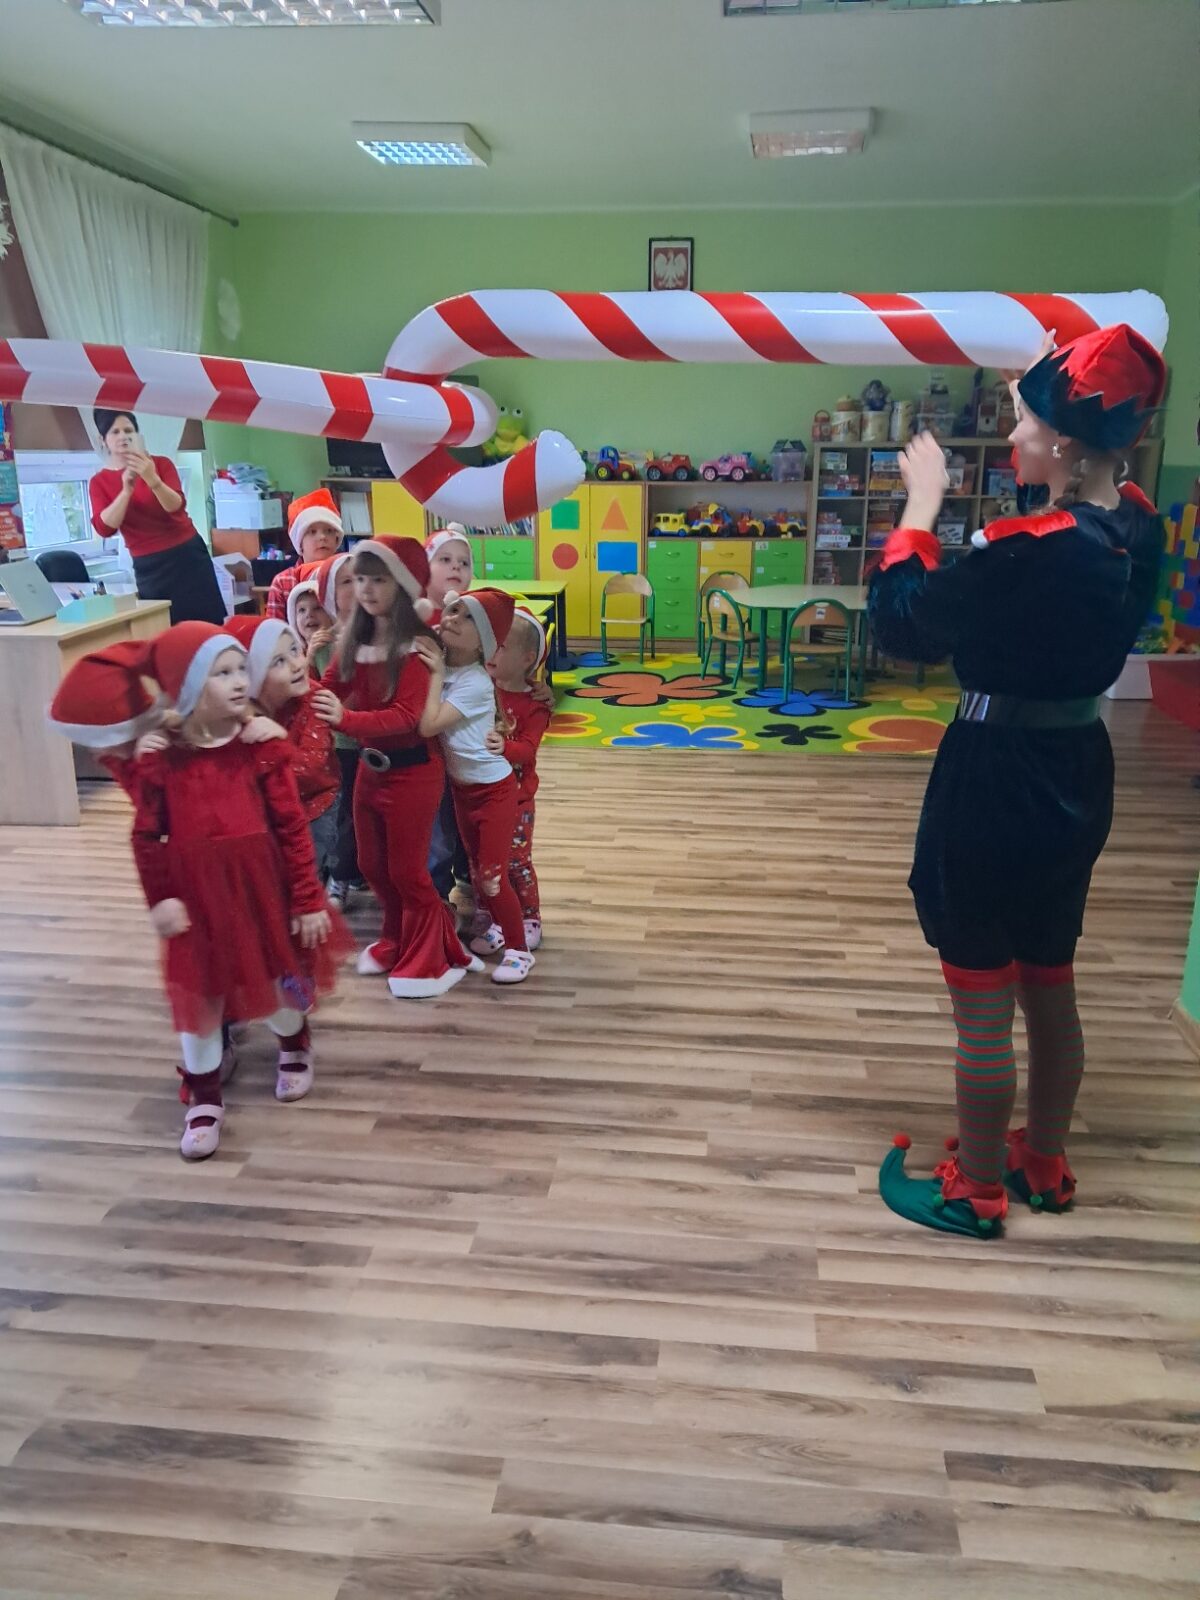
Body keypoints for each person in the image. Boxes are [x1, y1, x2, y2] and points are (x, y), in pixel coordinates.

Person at [870, 324, 1167, 1237]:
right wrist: (1038, 391)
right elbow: (1062, 505)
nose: (1013, 436)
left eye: (1027, 423)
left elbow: (905, 625)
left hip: (995, 780)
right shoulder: (1136, 525)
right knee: (1048, 974)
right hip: (1075, 772)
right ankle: (1043, 1160)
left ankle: (975, 1190)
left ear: (1067, 443)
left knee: (982, 996)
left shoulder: (1028, 547)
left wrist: (920, 509)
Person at [127, 622, 352, 1160]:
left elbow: (293, 828)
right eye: (221, 673)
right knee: (200, 999)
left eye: (239, 670)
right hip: (197, 904)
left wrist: (307, 898)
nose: (238, 681)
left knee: (276, 986)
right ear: (185, 686)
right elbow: (146, 835)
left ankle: (294, 1040)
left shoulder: (261, 748)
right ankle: (203, 1096)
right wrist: (160, 898)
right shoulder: (164, 760)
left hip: (259, 894)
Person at [312, 536, 480, 999]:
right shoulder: (355, 640)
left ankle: (433, 957)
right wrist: (294, 683)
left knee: (408, 872)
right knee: (372, 864)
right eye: (360, 579)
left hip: (414, 772)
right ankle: (398, 938)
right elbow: (328, 686)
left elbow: (408, 717)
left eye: (379, 579)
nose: (366, 589)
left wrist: (345, 719)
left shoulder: (417, 646)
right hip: (372, 772)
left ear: (402, 585)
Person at [415, 588, 534, 986]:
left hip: (493, 792)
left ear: (484, 641)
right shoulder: (443, 664)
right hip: (462, 790)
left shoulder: (475, 681)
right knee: (476, 869)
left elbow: (429, 725)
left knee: (491, 878)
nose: (452, 618)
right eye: (451, 610)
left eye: (466, 617)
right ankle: (501, 925)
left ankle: (519, 949)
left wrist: (434, 673)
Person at [226, 615, 340, 879]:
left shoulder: (314, 698)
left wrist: (277, 743)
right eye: (278, 661)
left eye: (294, 651)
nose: (297, 664)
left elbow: (311, 770)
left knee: (304, 880)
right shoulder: (236, 714)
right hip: (263, 818)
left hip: (313, 811)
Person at [88, 409, 225, 626]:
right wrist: (126, 490)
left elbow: (176, 506)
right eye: (115, 432)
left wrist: (152, 478)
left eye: (128, 431)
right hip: (149, 566)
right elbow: (104, 528)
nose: (123, 436)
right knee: (164, 628)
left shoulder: (160, 464)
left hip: (187, 556)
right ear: (102, 440)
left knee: (208, 624)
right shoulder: (99, 482)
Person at [292, 553, 363, 909]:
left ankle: (353, 872)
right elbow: (306, 696)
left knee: (362, 814)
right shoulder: (316, 648)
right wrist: (308, 658)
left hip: (368, 738)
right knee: (344, 814)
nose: (310, 616)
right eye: (302, 611)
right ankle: (341, 877)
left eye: (316, 608)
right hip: (338, 745)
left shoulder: (357, 638)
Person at [483, 604, 552, 954]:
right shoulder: (480, 686)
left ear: (527, 659)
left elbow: (528, 749)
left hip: (518, 799)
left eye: (501, 646)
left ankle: (529, 919)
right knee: (487, 862)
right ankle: (500, 919)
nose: (491, 652)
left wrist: (504, 747)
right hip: (482, 795)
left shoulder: (534, 704)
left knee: (517, 861)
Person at [265, 489, 346, 622]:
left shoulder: (346, 576)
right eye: (312, 532)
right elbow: (274, 630)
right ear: (299, 542)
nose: (322, 537)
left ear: (337, 539)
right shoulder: (283, 582)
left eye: (329, 531)